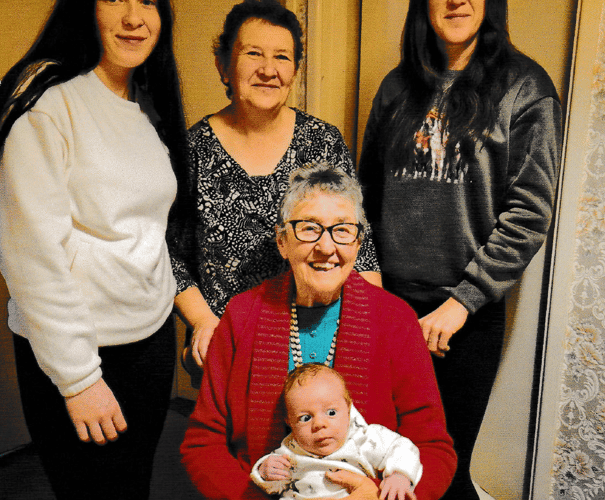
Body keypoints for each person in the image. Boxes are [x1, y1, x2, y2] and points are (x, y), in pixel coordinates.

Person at [0, 0, 192, 498]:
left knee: (133, 485)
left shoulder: (144, 100)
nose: (136, 17)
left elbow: (145, 228)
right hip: (85, 353)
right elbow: (32, 255)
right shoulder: (45, 97)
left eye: (150, 1)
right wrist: (78, 380)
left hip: (149, 338)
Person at [358, 1, 562, 499]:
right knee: (381, 460)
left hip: (463, 319)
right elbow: (366, 194)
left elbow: (530, 211)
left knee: (442, 468)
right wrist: (373, 294)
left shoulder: (526, 88)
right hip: (390, 307)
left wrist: (462, 302)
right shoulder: (395, 87)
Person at [180, 164, 456, 500]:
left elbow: (432, 447)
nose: (327, 248)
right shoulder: (241, 316)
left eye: (342, 230)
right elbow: (203, 442)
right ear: (282, 242)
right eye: (309, 228)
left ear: (357, 243)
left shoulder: (396, 320)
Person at [172, 0, 381, 376]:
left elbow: (359, 247)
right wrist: (203, 322)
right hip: (230, 349)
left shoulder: (322, 143)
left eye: (282, 57)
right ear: (223, 65)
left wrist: (377, 332)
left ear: (296, 71)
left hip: (318, 353)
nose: (268, 70)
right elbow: (169, 256)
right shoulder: (193, 151)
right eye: (253, 53)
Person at [251, 364, 421, 500]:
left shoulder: (362, 438)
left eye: (331, 413)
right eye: (305, 418)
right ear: (289, 423)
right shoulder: (291, 450)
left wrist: (399, 476)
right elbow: (275, 485)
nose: (319, 424)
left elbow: (402, 447)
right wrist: (265, 472)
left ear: (348, 409)